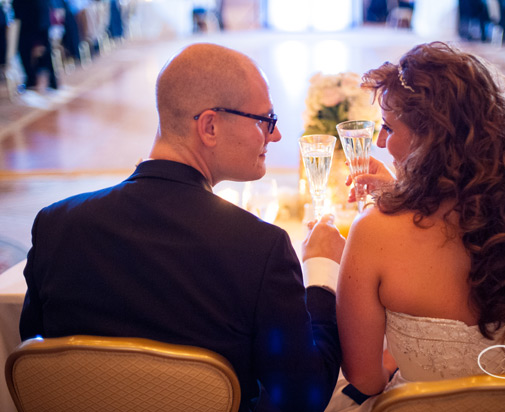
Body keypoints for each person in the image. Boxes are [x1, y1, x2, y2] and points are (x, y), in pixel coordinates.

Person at [19, 43, 345, 412]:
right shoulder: (259, 248)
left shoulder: (56, 223)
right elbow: (304, 398)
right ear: (209, 126)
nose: (275, 136)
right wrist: (321, 273)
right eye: (265, 120)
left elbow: (39, 359)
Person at [325, 41, 505, 411]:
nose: (380, 142)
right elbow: (469, 224)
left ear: (432, 138)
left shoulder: (374, 231)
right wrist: (404, 189)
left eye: (387, 128)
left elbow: (366, 378)